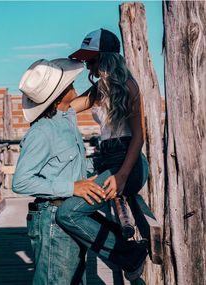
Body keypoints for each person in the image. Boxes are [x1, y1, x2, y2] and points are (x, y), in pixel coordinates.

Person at [56, 29, 149, 281]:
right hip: (106, 159)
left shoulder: (130, 87)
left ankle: (128, 253)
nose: (87, 63)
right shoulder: (100, 88)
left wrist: (121, 176)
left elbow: (139, 136)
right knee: (62, 193)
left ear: (107, 58)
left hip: (126, 164)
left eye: (91, 59)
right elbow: (67, 107)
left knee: (67, 213)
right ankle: (128, 249)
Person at [12, 58, 106, 285]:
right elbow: (20, 182)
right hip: (52, 219)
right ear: (59, 94)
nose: (73, 83)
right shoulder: (43, 132)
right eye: (68, 82)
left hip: (66, 214)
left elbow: (94, 94)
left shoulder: (67, 118)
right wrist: (72, 187)